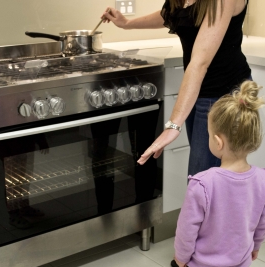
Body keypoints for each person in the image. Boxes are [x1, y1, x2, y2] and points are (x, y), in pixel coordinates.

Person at [101, 0, 252, 177]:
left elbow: (200, 62)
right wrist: (127, 24)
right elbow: (172, 13)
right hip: (198, 90)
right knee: (203, 178)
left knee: (201, 179)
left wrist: (173, 125)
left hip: (224, 93)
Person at [173, 81, 265, 267]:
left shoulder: (202, 184)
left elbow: (187, 228)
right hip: (240, 266)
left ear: (218, 142)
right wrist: (256, 246)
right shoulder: (263, 179)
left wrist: (181, 256)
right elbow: (262, 222)